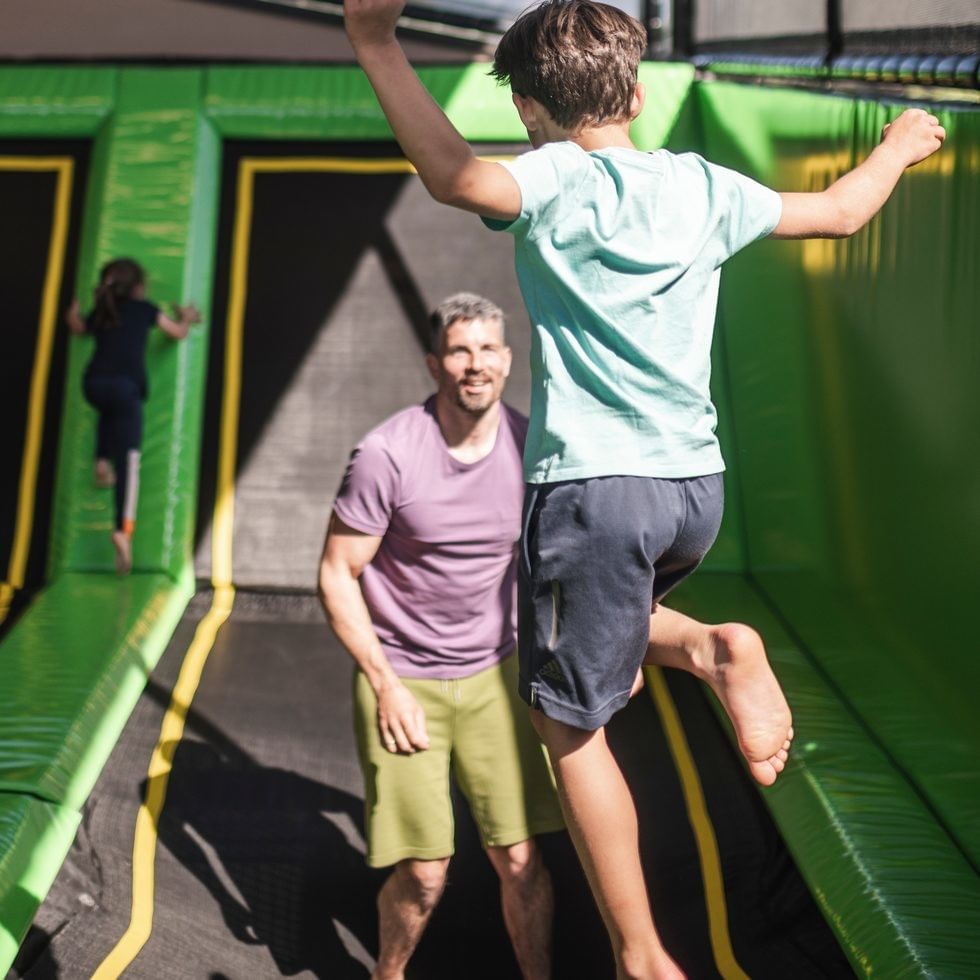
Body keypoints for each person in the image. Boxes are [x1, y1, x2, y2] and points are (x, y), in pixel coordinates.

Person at [342, 2, 946, 976]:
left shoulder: (550, 174)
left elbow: (452, 174)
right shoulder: (700, 184)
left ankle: (639, 950)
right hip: (690, 490)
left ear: (530, 108)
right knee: (609, 639)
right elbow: (838, 211)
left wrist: (375, 42)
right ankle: (704, 642)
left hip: (592, 487)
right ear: (632, 91)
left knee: (566, 724)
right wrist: (900, 144)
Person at [318, 293, 565, 980]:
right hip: (405, 677)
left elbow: (561, 564)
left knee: (520, 859)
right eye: (460, 351)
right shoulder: (387, 454)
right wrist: (384, 683)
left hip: (496, 674)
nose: (475, 365)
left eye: (488, 350)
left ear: (508, 361)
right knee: (426, 871)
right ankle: (388, 974)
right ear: (435, 364)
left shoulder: (532, 445)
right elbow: (338, 574)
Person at [66, 258, 200, 574]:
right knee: (130, 459)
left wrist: (71, 312)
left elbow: (77, 327)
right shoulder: (145, 310)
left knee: (108, 409)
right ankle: (121, 530)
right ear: (139, 287)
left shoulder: (102, 311)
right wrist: (188, 318)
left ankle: (101, 462)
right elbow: (177, 333)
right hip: (125, 389)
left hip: (93, 384)